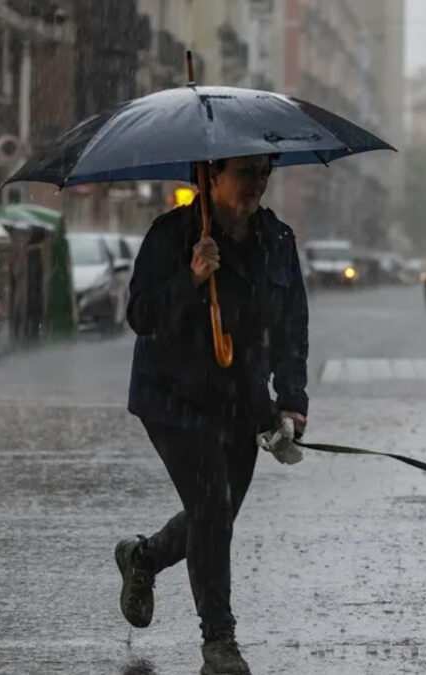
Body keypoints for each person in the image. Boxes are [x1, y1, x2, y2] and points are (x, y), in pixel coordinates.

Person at [115, 154, 309, 675]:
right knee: (212, 508)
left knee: (216, 516)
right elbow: (141, 315)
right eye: (245, 171)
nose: (257, 183)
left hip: (242, 400)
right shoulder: (172, 235)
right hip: (172, 398)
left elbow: (292, 325)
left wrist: (292, 399)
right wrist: (192, 278)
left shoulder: (277, 240)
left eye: (264, 172)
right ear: (209, 175)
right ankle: (219, 640)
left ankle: (143, 557)